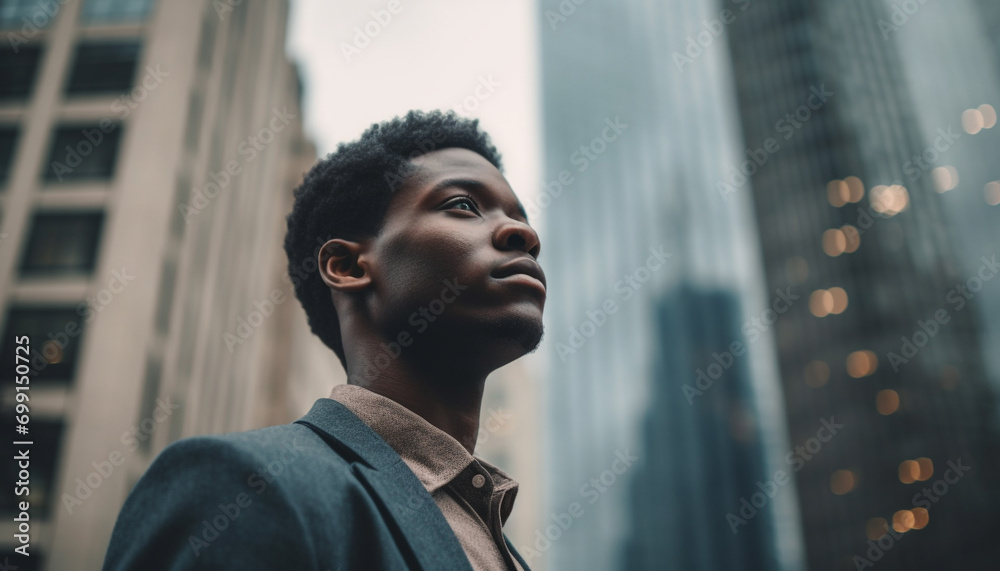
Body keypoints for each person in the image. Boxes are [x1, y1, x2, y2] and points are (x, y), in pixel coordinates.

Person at [103, 110, 544, 570]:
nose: (525, 235)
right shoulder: (240, 485)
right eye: (464, 205)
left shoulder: (504, 550)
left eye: (522, 217)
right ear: (349, 267)